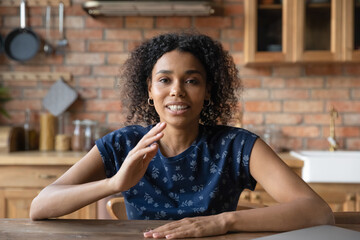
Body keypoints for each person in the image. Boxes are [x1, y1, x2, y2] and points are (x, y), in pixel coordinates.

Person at [30, 32, 334, 239]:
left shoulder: (237, 145)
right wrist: (114, 183)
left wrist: (222, 222)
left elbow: (318, 211)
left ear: (207, 92)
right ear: (149, 90)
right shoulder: (123, 143)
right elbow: (40, 206)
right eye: (164, 80)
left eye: (191, 80)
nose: (177, 90)